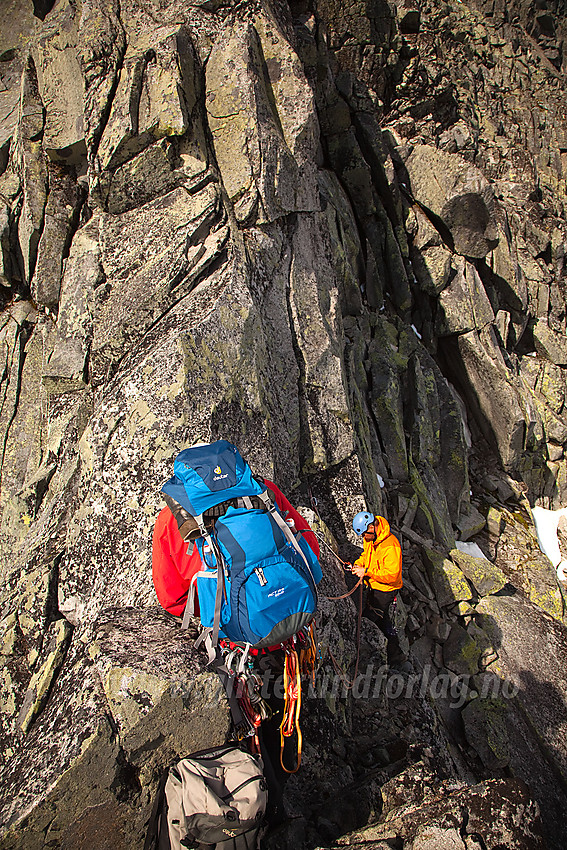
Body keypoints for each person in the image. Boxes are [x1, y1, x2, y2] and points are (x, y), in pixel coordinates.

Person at [152, 477, 319, 619]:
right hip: (292, 611)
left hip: (229, 633)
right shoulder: (262, 490)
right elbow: (310, 547)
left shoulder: (172, 518)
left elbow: (172, 598)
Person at [351, 510, 409, 670]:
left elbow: (392, 575)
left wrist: (367, 572)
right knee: (384, 621)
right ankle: (396, 655)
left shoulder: (391, 546)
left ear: (371, 527)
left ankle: (374, 658)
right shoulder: (372, 538)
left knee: (369, 619)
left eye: (364, 534)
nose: (363, 538)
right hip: (375, 586)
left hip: (386, 590)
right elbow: (366, 555)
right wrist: (359, 564)